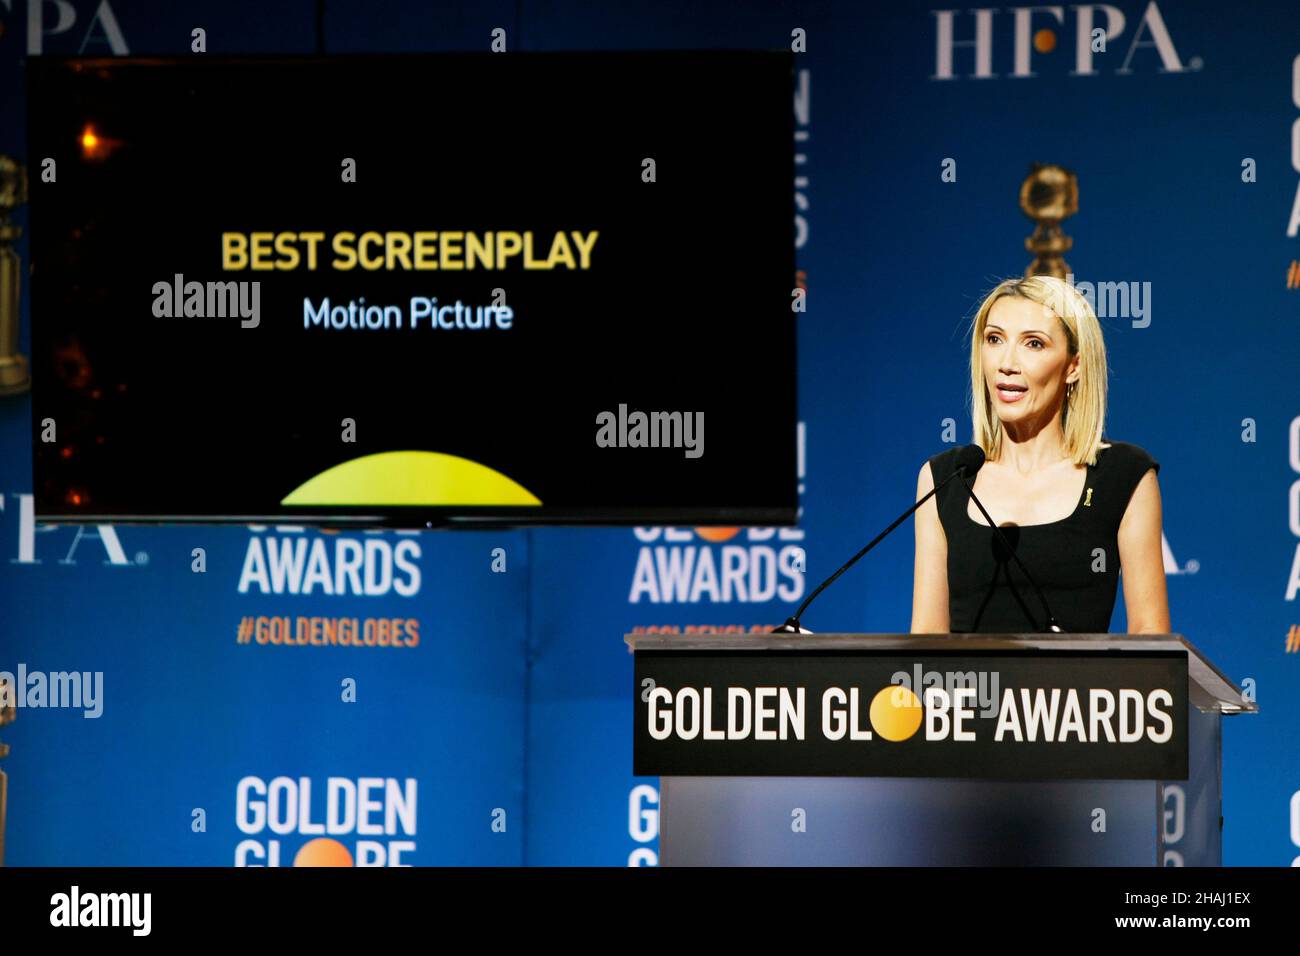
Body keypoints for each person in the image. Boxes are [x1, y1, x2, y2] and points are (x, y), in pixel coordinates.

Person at [911, 275, 1169, 634]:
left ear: (1074, 366)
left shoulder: (1123, 475)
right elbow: (926, 640)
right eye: (994, 339)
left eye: (1033, 344)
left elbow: (1150, 642)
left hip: (1080, 690)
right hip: (967, 691)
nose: (1007, 362)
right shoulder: (947, 478)